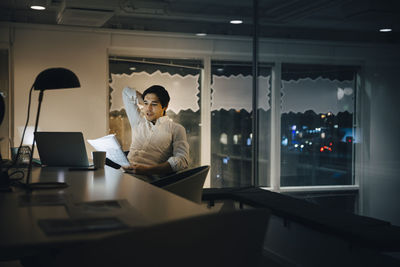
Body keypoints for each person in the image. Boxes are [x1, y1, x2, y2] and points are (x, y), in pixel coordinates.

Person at [122, 85, 189, 175]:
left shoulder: (176, 129)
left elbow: (182, 160)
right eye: (145, 104)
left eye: (154, 104)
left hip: (146, 180)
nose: (148, 109)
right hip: (121, 173)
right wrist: (148, 101)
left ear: (165, 106)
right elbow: (126, 92)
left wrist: (147, 170)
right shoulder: (138, 122)